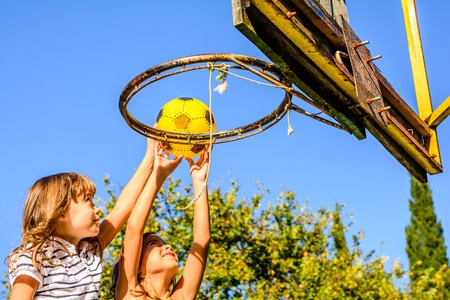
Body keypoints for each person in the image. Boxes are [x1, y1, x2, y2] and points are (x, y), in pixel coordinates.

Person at [7, 137, 183, 300]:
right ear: (60, 213)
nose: (97, 208)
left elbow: (121, 209)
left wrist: (150, 157)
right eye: (88, 201)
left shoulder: (88, 252)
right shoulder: (35, 256)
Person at [111, 145, 211, 300]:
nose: (167, 246)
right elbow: (134, 228)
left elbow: (202, 240)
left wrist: (199, 182)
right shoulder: (131, 295)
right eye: (153, 244)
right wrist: (158, 176)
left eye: (159, 243)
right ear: (137, 268)